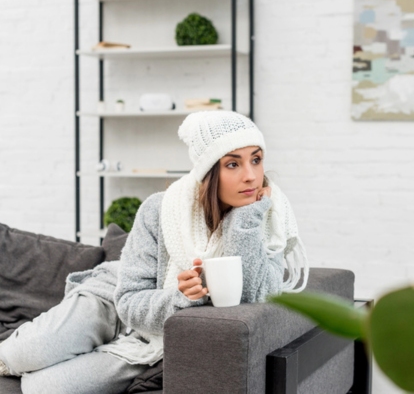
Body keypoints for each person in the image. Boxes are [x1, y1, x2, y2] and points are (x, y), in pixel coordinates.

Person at [0, 110, 309, 394]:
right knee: (20, 354)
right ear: (208, 170)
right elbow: (129, 298)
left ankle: (79, 353)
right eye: (233, 164)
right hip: (112, 300)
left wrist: (247, 219)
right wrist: (179, 296)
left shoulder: (269, 217)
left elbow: (255, 296)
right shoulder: (160, 209)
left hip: (156, 338)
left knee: (44, 388)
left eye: (256, 159)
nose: (251, 176)